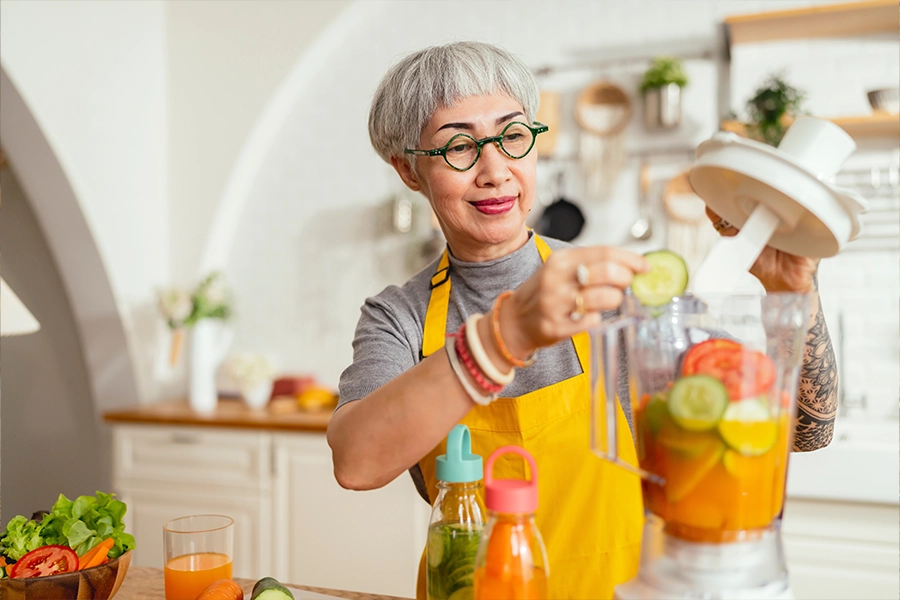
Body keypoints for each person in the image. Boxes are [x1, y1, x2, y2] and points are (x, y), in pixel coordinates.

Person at [326, 41, 838, 599]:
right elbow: (357, 462)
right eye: (458, 148)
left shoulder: (615, 289)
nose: (496, 171)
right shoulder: (398, 316)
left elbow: (808, 431)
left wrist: (793, 295)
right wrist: (504, 338)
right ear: (408, 170)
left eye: (513, 136)